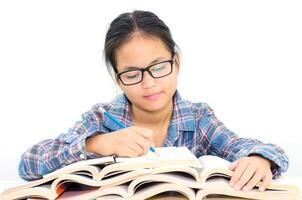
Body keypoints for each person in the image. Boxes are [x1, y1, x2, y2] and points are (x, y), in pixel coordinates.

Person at [19, 10, 288, 192]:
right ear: (118, 79)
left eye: (159, 67)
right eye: (132, 74)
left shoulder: (198, 118)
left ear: (177, 62)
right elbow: (28, 163)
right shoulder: (101, 119)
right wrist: (97, 143)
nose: (149, 83)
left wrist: (258, 159)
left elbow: (249, 147)